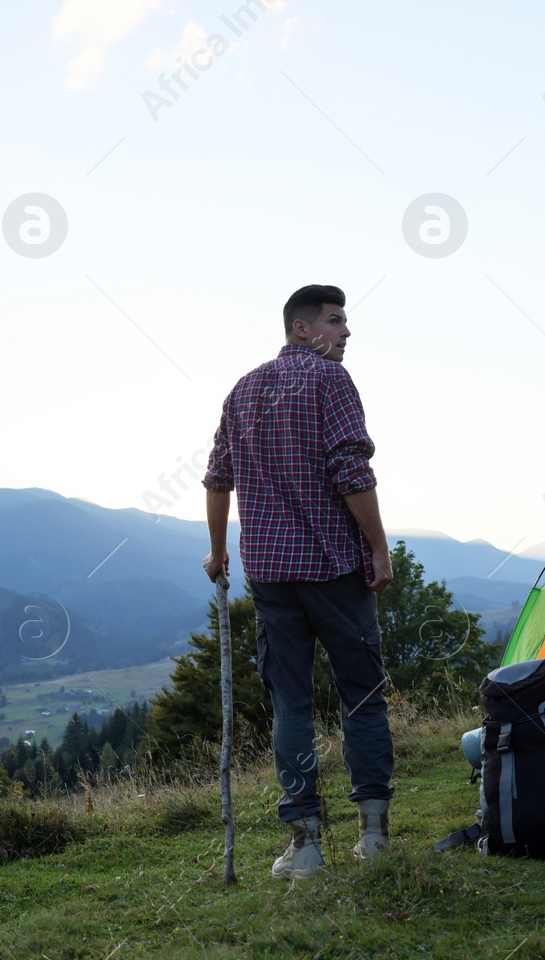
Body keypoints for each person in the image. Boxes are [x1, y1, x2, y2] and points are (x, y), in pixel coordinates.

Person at [201, 283, 395, 881]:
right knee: (361, 694)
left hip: (270, 577)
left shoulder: (243, 389)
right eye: (336, 321)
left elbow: (216, 476)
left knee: (292, 704)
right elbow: (350, 470)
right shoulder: (330, 382)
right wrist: (379, 546)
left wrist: (216, 552)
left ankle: (305, 845)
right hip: (334, 569)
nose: (346, 332)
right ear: (301, 329)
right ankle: (372, 837)